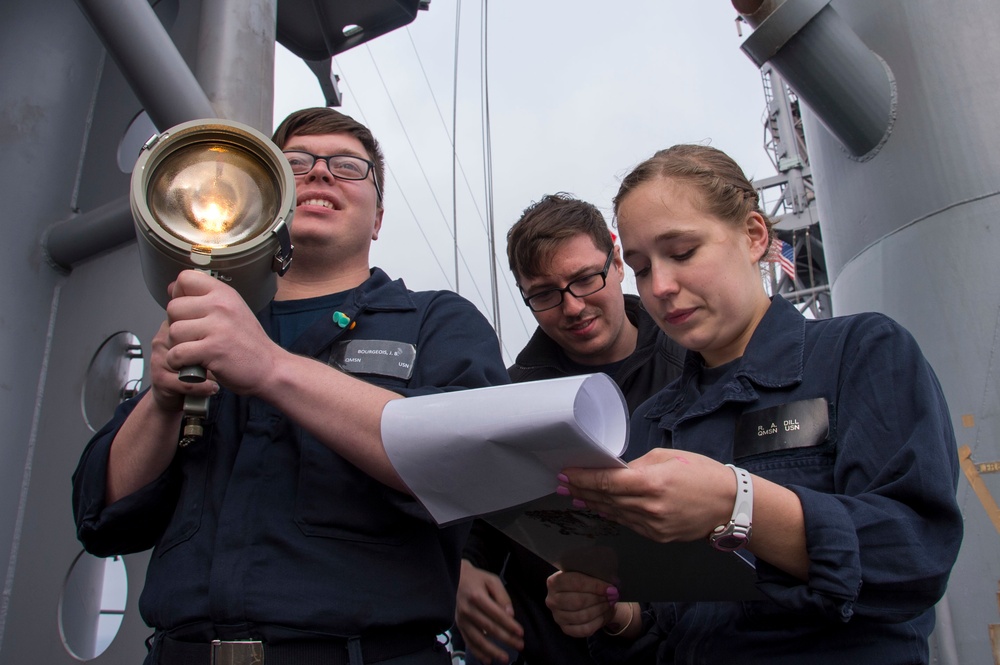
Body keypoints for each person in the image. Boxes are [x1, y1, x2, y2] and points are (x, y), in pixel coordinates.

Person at [72, 108, 509, 665]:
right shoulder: (200, 325)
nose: (320, 174)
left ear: (378, 218)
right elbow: (101, 515)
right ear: (267, 200)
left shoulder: (438, 321)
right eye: (294, 163)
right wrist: (161, 400)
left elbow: (469, 465)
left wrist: (271, 369)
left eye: (349, 167)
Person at [545, 144, 964, 664]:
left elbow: (913, 557)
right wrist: (616, 615)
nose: (662, 286)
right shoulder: (651, 421)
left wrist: (736, 503)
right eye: (641, 267)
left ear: (753, 236)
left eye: (681, 252)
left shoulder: (861, 353)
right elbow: (665, 613)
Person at [456, 193, 685, 664]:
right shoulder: (508, 399)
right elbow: (481, 521)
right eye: (544, 294)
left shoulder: (698, 366)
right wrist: (461, 568)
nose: (573, 306)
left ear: (618, 259)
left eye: (585, 279)